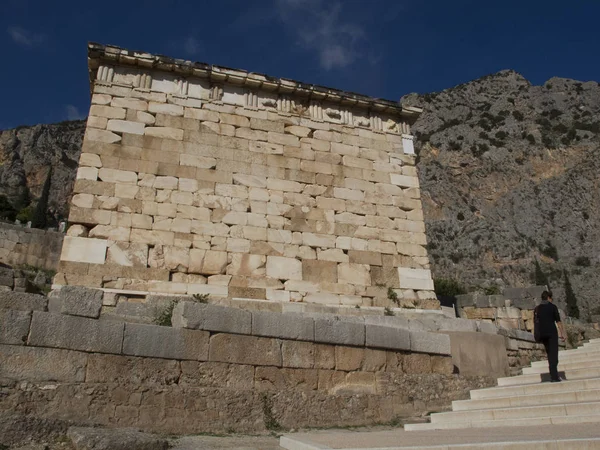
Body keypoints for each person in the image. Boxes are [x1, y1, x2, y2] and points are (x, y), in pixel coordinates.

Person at [536, 290, 566, 382]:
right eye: (551, 298)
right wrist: (562, 333)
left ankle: (553, 374)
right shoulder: (553, 307)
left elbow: (536, 322)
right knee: (554, 355)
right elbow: (558, 321)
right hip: (552, 333)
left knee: (549, 354)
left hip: (542, 334)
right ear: (549, 297)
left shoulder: (537, 308)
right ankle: (554, 377)